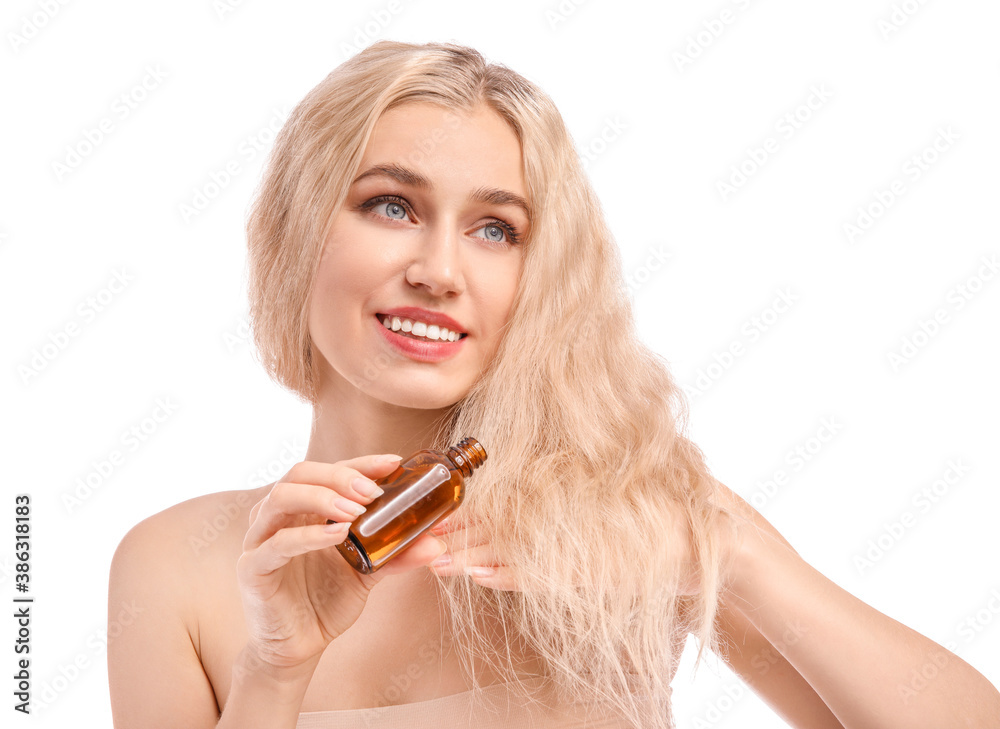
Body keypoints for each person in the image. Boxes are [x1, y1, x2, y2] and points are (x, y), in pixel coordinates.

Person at [107, 40, 1000, 729]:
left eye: (496, 228)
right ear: (295, 228)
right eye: (392, 205)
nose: (439, 269)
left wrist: (724, 548)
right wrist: (276, 668)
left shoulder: (622, 519)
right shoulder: (176, 566)